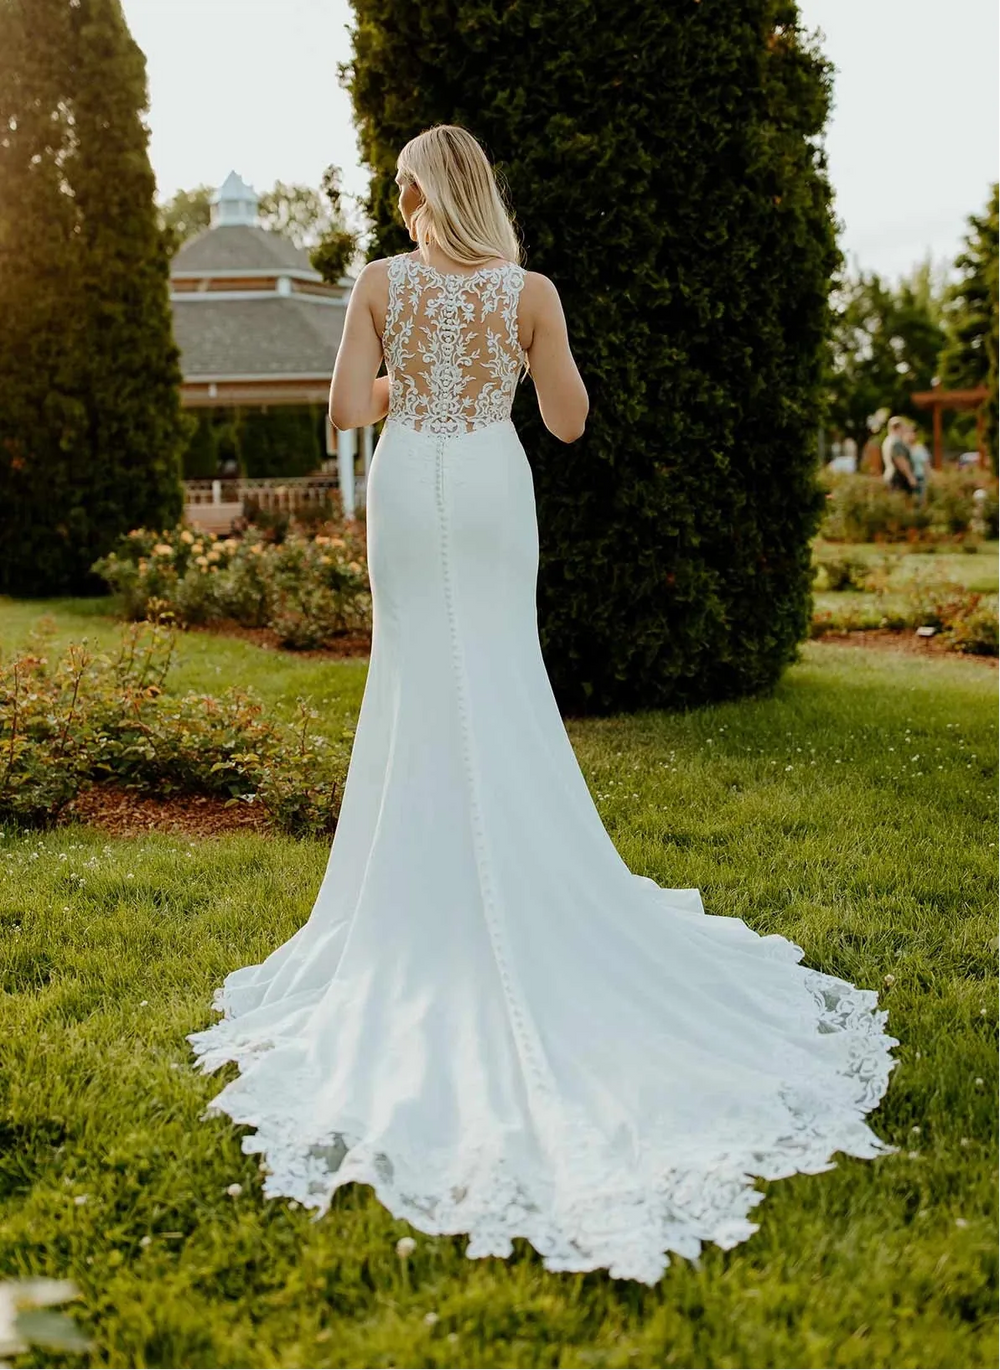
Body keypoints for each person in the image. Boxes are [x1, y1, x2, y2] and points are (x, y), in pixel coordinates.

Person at [188, 124, 897, 1284]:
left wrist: (401, 374)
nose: (399, 201)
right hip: (489, 481)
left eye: (401, 187)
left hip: (413, 491)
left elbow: (343, 416)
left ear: (419, 193)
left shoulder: (374, 281)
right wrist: (513, 360)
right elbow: (566, 421)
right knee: (501, 677)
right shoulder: (531, 291)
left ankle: (418, 904)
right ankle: (517, 877)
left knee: (417, 679)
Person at [881, 416, 917, 494]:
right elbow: (900, 460)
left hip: (890, 475)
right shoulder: (896, 442)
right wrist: (910, 476)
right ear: (899, 428)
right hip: (899, 478)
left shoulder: (887, 441)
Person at [905, 423, 931, 502]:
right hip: (907, 478)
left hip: (919, 478)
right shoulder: (904, 448)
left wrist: (928, 479)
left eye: (912, 433)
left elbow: (926, 464)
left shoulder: (920, 448)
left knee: (920, 500)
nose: (910, 436)